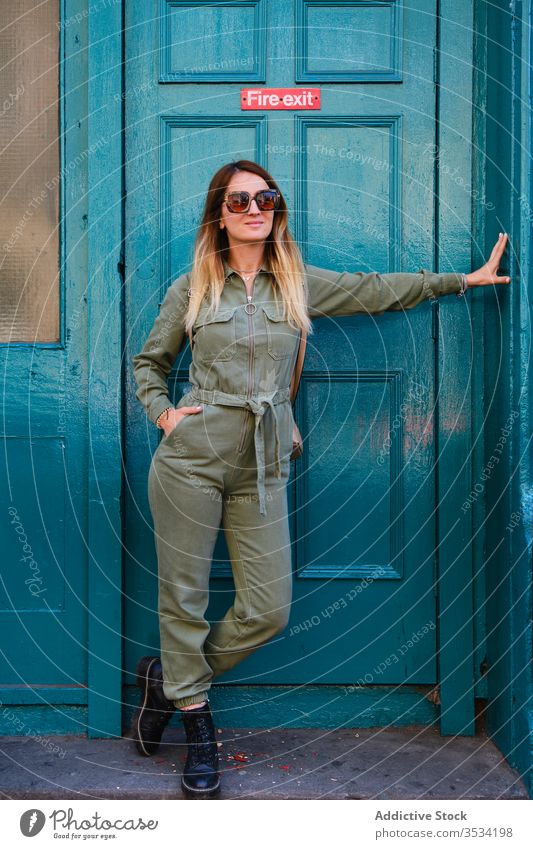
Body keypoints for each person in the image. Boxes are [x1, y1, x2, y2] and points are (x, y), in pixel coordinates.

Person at [130, 159, 510, 798]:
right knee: (185, 601)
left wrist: (461, 282)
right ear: (219, 215)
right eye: (239, 200)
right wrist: (165, 413)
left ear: (277, 208)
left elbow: (377, 288)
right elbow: (149, 363)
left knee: (267, 610)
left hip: (266, 460)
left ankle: (166, 677)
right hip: (190, 463)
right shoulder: (190, 287)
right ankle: (196, 722)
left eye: (266, 197)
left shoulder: (296, 285)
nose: (255, 208)